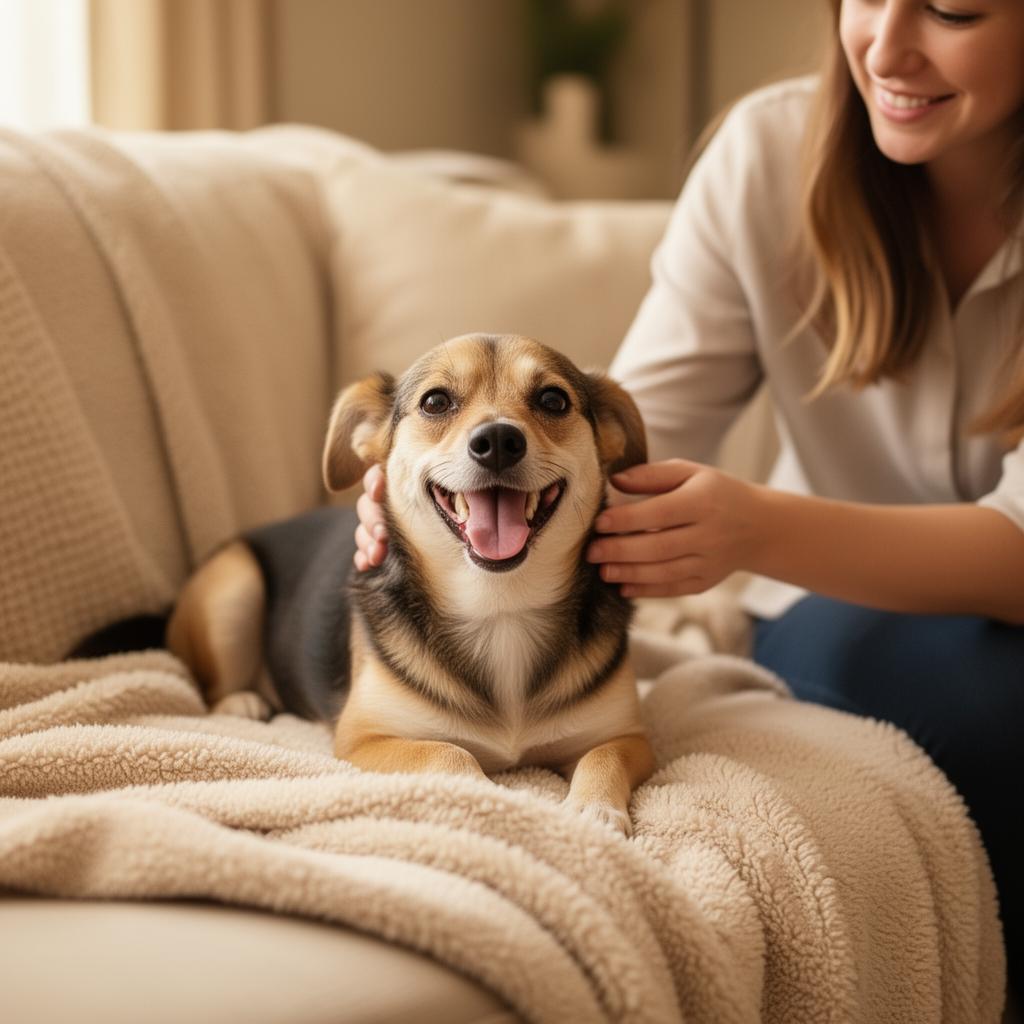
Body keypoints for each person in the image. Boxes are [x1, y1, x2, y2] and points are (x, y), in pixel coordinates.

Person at [354, 0, 1024, 1002]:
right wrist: (428, 480)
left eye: (952, 8)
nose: (886, 48)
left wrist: (754, 528)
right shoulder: (765, 156)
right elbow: (627, 440)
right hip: (830, 609)